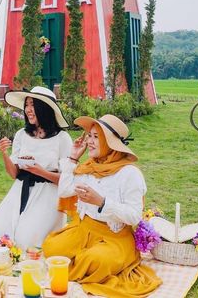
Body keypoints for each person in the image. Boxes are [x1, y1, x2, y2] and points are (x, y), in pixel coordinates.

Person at [42, 114, 162, 297]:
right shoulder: (90, 167)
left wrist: (102, 202)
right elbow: (64, 191)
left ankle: (89, 260)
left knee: (95, 260)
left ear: (110, 143)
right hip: (83, 230)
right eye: (89, 135)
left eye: (96, 137)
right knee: (52, 247)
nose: (89, 141)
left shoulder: (129, 174)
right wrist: (73, 158)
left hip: (114, 237)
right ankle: (82, 260)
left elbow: (134, 216)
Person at [0, 86, 72, 250]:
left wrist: (41, 171)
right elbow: (14, 173)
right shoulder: (21, 135)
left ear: (44, 109)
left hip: (48, 194)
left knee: (26, 241)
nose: (28, 110)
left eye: (33, 105)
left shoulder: (62, 138)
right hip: (21, 189)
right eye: (27, 105)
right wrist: (4, 153)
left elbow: (67, 180)